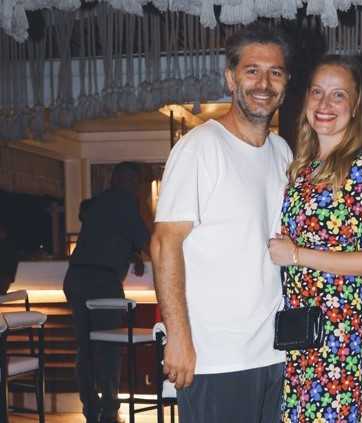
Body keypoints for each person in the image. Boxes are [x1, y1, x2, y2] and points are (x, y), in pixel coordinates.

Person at [150, 24, 293, 423]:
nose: (264, 83)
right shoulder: (200, 147)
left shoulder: (282, 151)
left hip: (274, 350)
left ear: (285, 83)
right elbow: (164, 243)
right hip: (216, 357)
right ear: (231, 79)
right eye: (252, 71)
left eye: (275, 72)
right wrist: (178, 337)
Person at [268, 55, 362, 422]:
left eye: (338, 95)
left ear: (356, 106)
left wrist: (296, 255)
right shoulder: (302, 170)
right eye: (317, 92)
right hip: (299, 330)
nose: (324, 104)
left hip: (338, 333)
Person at [63, 161, 149, 423]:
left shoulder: (97, 203)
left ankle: (91, 408)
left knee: (86, 347)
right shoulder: (125, 201)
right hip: (102, 281)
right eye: (134, 182)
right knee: (109, 346)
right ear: (122, 181)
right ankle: (109, 410)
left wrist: (133, 255)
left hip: (76, 277)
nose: (136, 187)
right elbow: (145, 239)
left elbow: (106, 235)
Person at [0, 222, 18, 295]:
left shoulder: (9, 246)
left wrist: (11, 277)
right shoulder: (9, 246)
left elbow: (13, 262)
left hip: (5, 275)